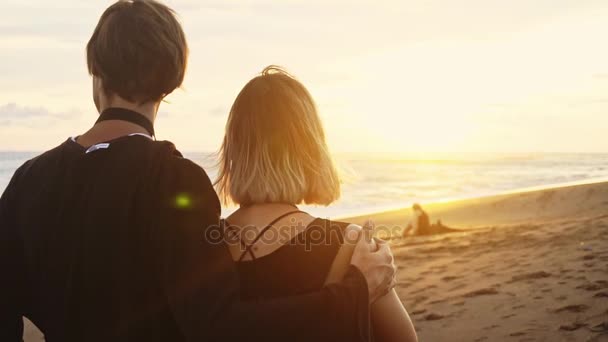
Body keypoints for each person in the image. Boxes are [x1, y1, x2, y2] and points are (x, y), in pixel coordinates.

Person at [0, 1, 397, 341]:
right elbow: (219, 327)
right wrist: (355, 294)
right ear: (171, 82)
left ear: (95, 72)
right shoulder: (173, 182)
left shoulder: (26, 182)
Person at [216, 66, 417, 342]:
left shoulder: (201, 247)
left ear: (234, 148)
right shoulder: (349, 244)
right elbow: (403, 340)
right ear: (311, 147)